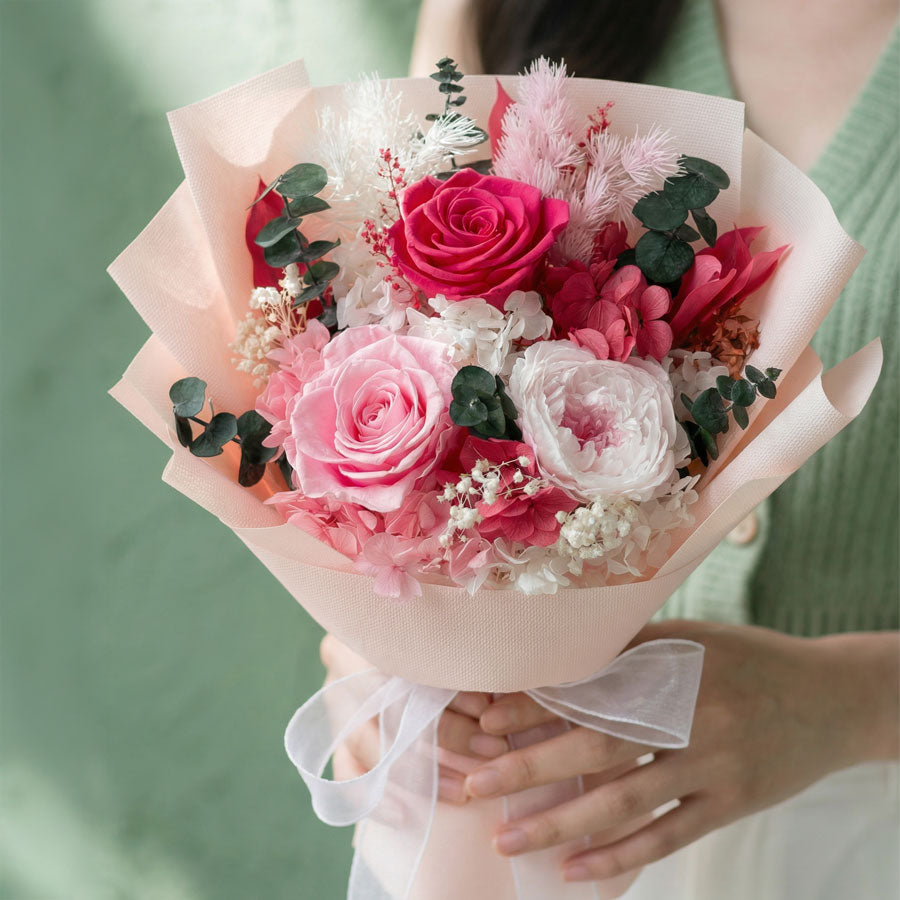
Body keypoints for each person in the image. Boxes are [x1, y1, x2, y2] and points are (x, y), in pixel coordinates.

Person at [323, 0, 899, 895]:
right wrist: (382, 638)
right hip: (561, 824)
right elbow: (407, 353)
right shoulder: (515, 15)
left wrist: (849, 700)